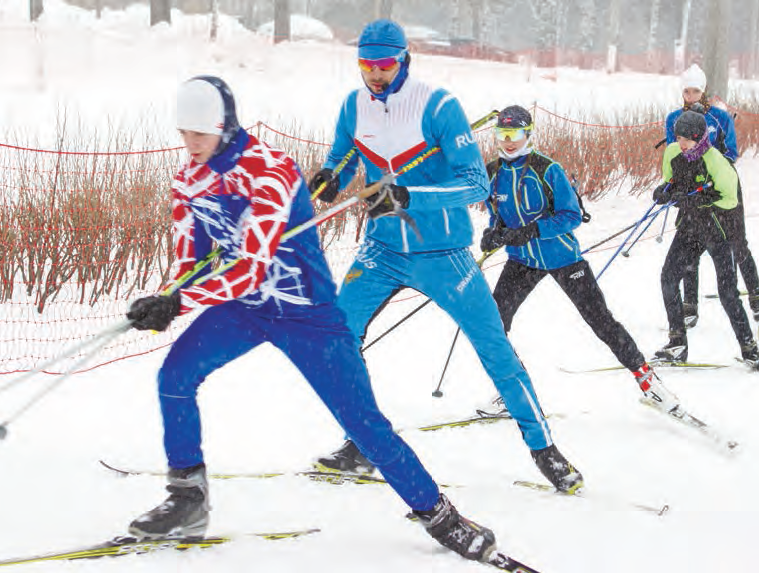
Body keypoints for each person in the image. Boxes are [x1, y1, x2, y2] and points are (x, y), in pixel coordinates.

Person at [122, 75, 498, 563]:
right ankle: (187, 500)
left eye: (200, 133)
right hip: (245, 308)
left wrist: (182, 302)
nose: (190, 145)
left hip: (307, 316)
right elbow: (192, 261)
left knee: (363, 424)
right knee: (175, 375)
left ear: (224, 125)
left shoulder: (270, 171)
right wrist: (166, 295)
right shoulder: (189, 181)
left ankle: (442, 517)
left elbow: (251, 265)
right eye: (183, 134)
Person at [307, 19, 583, 494]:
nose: (375, 74)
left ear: (403, 60)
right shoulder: (354, 106)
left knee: (495, 350)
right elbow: (344, 155)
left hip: (445, 254)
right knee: (336, 337)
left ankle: (545, 450)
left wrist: (407, 196)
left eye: (385, 64)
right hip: (383, 249)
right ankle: (363, 444)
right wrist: (329, 177)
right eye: (366, 64)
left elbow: (474, 183)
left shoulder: (438, 107)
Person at [479, 105, 682, 416]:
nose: (508, 141)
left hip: (562, 257)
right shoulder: (493, 173)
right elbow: (499, 216)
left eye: (515, 134)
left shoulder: (547, 169)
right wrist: (495, 234)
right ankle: (512, 391)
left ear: (528, 134)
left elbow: (571, 216)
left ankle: (649, 382)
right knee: (492, 324)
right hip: (523, 260)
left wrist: (534, 230)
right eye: (502, 134)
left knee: (600, 321)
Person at [653, 109, 759, 369]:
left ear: (700, 137)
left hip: (718, 231)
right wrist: (665, 192)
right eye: (678, 137)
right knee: (668, 278)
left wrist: (696, 198)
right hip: (690, 229)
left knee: (727, 292)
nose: (681, 144)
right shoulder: (672, 153)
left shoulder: (716, 161)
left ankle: (750, 350)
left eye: (687, 139)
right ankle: (677, 342)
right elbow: (671, 182)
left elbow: (730, 199)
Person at [664, 64, 759, 327]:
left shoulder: (719, 117)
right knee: (689, 245)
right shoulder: (673, 117)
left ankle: (755, 295)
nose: (690, 95)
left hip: (720, 185)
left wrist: (710, 165)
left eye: (695, 90)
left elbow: (731, 152)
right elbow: (674, 151)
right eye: (686, 90)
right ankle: (689, 305)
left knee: (737, 242)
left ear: (703, 90)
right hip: (690, 187)